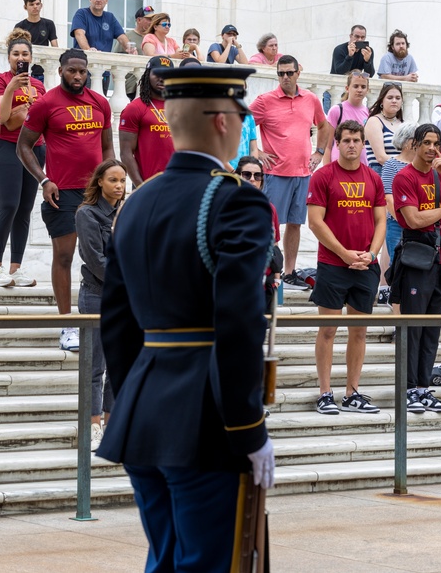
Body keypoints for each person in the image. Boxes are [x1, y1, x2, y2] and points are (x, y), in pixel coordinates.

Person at [95, 66, 275, 572]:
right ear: (222, 121)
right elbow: (239, 322)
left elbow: (118, 323)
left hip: (143, 415)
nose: (243, 127)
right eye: (240, 117)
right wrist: (249, 428)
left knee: (166, 560)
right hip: (205, 420)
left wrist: (136, 397)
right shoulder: (235, 199)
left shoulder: (135, 203)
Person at [20, 49, 114, 352]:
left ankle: (105, 318)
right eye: (72, 71)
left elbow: (108, 147)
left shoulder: (100, 103)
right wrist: (43, 180)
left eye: (82, 71)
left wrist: (113, 181)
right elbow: (23, 146)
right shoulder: (46, 103)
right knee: (64, 256)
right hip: (63, 192)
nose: (77, 76)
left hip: (96, 192)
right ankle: (67, 324)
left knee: (103, 257)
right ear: (60, 70)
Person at [308, 120, 387, 415]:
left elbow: (381, 220)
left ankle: (352, 392)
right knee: (328, 329)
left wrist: (372, 253)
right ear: (337, 144)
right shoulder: (324, 176)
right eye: (347, 140)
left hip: (365, 266)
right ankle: (325, 392)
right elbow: (315, 222)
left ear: (363, 144)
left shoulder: (373, 179)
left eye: (357, 140)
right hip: (332, 263)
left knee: (359, 332)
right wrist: (342, 253)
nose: (352, 145)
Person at [389, 124, 441, 413]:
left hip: (439, 258)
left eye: (437, 143)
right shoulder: (404, 177)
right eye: (428, 143)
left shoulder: (439, 176)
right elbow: (414, 219)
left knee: (432, 327)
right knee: (413, 327)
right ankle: (408, 388)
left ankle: (423, 387)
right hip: (415, 258)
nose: (433, 149)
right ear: (416, 144)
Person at [250, 55, 333, 290]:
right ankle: (261, 269)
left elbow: (324, 125)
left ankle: (288, 272)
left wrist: (318, 152)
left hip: (302, 173)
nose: (285, 77)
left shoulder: (311, 99)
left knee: (296, 224)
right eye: (281, 73)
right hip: (275, 173)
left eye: (289, 72)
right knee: (267, 224)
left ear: (298, 73)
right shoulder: (265, 101)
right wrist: (257, 152)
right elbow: (242, 123)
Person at [0, 29, 47, 289]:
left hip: (35, 149)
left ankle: (16, 268)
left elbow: (40, 121)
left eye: (25, 54)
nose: (20, 58)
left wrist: (24, 113)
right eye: (16, 54)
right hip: (6, 148)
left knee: (24, 211)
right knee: (8, 206)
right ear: (8, 57)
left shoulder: (39, 86)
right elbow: (3, 120)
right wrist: (13, 91)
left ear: (31, 57)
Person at [75, 159, 126, 451]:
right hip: (97, 295)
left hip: (124, 298)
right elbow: (96, 261)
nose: (119, 186)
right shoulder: (88, 214)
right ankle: (92, 426)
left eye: (122, 181)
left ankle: (112, 424)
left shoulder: (127, 211)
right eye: (113, 180)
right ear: (99, 182)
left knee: (118, 366)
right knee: (95, 367)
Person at [376, 123, 418, 305]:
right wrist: (407, 220)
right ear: (409, 142)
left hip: (419, 224)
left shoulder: (423, 166)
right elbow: (388, 197)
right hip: (397, 223)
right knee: (398, 263)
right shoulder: (392, 165)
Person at [119, 56, 175, 187]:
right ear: (147, 75)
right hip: (147, 185)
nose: (162, 78)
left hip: (177, 185)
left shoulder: (179, 107)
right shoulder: (135, 108)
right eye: (157, 73)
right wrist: (141, 186)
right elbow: (126, 153)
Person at [70, 0, 134, 53]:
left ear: (106, 1)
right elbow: (79, 34)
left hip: (104, 60)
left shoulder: (110, 17)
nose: (98, 0)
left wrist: (130, 49)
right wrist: (88, 50)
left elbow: (122, 37)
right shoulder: (82, 13)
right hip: (83, 59)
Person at [325, 71, 371, 161]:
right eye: (355, 86)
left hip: (361, 166)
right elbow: (328, 146)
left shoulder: (369, 113)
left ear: (367, 90)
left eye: (363, 87)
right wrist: (327, 171)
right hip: (338, 165)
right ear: (347, 88)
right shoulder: (337, 110)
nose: (359, 90)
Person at [363, 81, 403, 174]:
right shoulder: (374, 121)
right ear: (382, 101)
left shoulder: (402, 124)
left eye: (398, 98)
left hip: (402, 176)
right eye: (390, 98)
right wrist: (405, 165)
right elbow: (381, 157)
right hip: (381, 174)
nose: (394, 101)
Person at [114, 5, 154, 98]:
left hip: (150, 86)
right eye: (149, 19)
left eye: (153, 19)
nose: (151, 22)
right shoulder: (126, 37)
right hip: (131, 87)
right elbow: (116, 63)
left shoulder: (153, 38)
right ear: (139, 20)